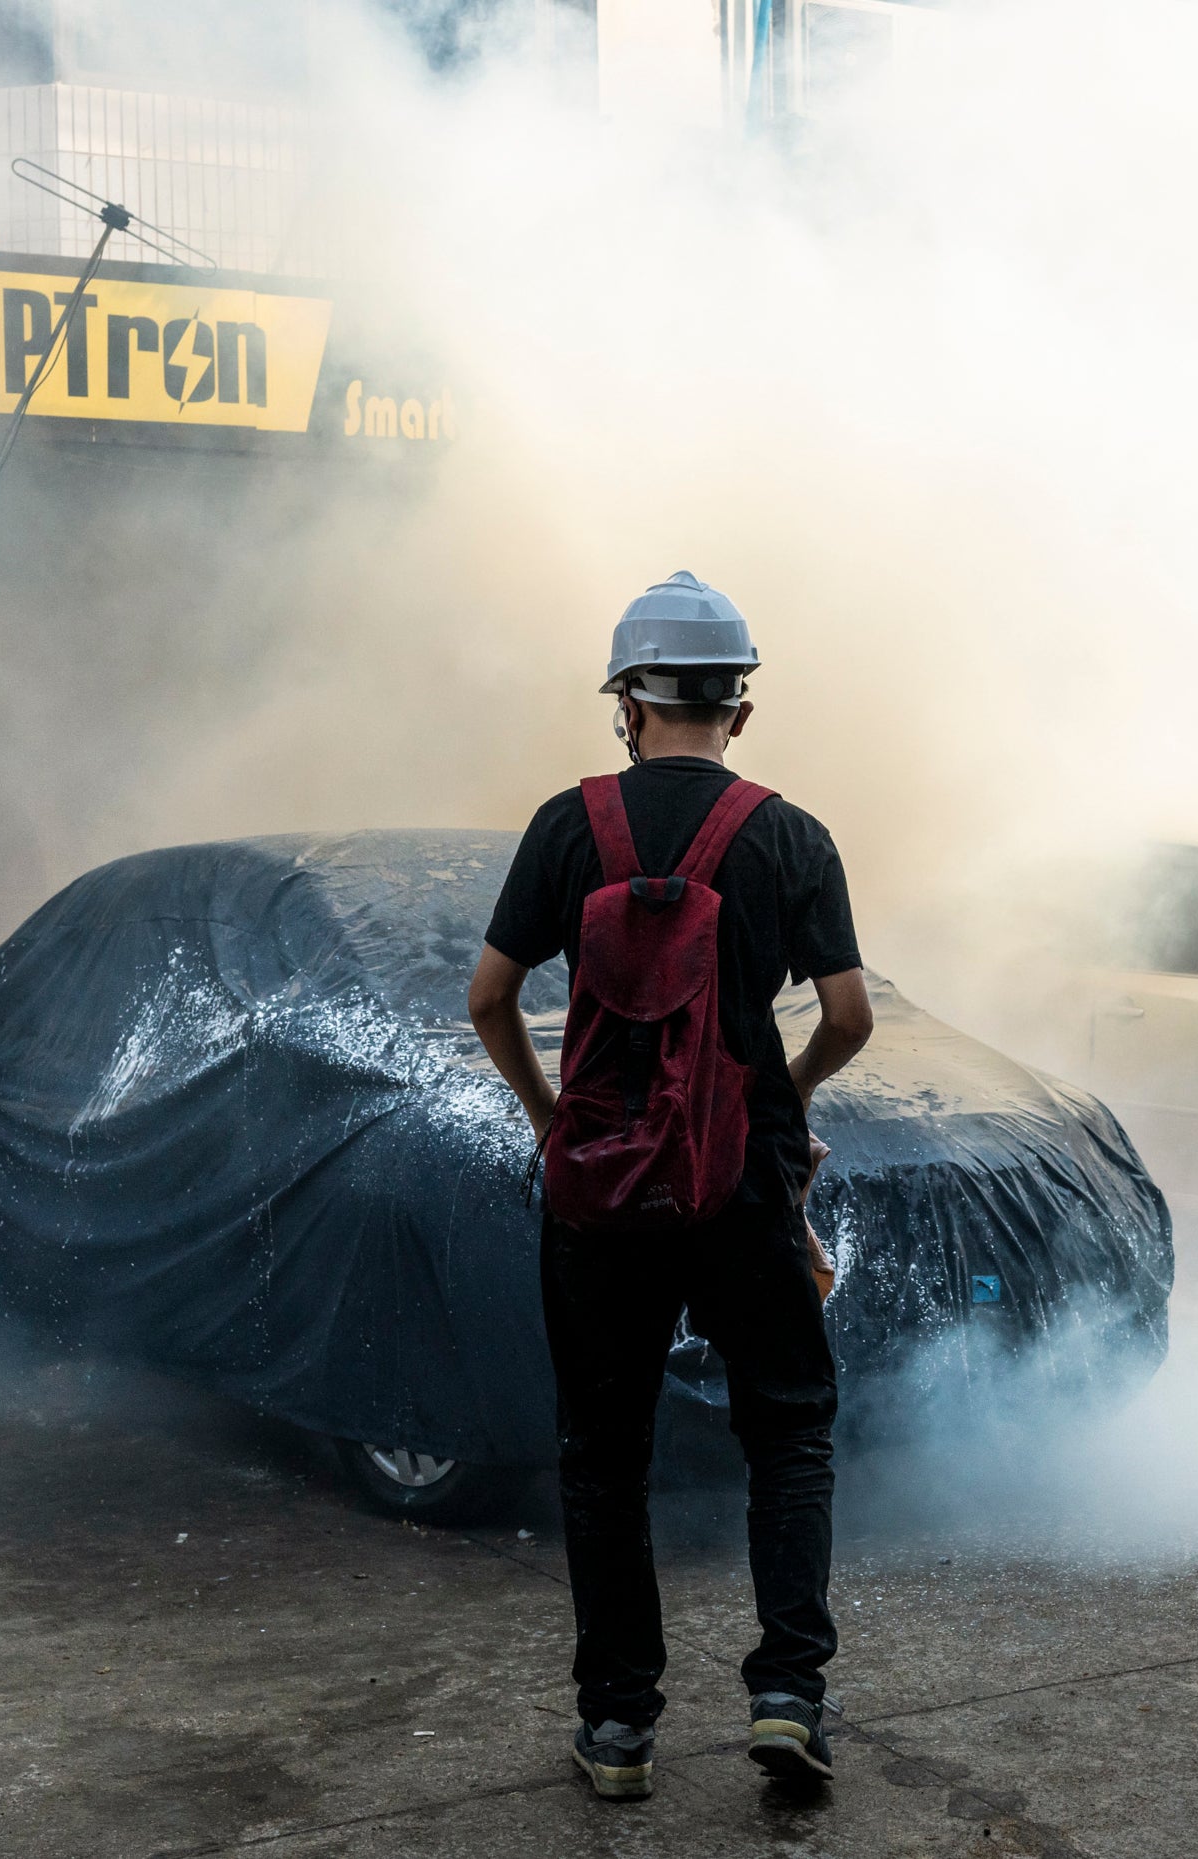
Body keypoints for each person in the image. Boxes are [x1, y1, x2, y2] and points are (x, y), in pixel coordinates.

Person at [469, 573, 871, 1803]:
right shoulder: (790, 834)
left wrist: (555, 1121)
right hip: (737, 1176)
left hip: (599, 1190)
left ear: (626, 705)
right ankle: (787, 1694)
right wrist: (782, 1090)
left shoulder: (564, 827)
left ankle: (620, 1728)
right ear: (738, 709)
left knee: (603, 1454)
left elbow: (490, 996)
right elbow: (848, 1015)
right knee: (788, 1431)